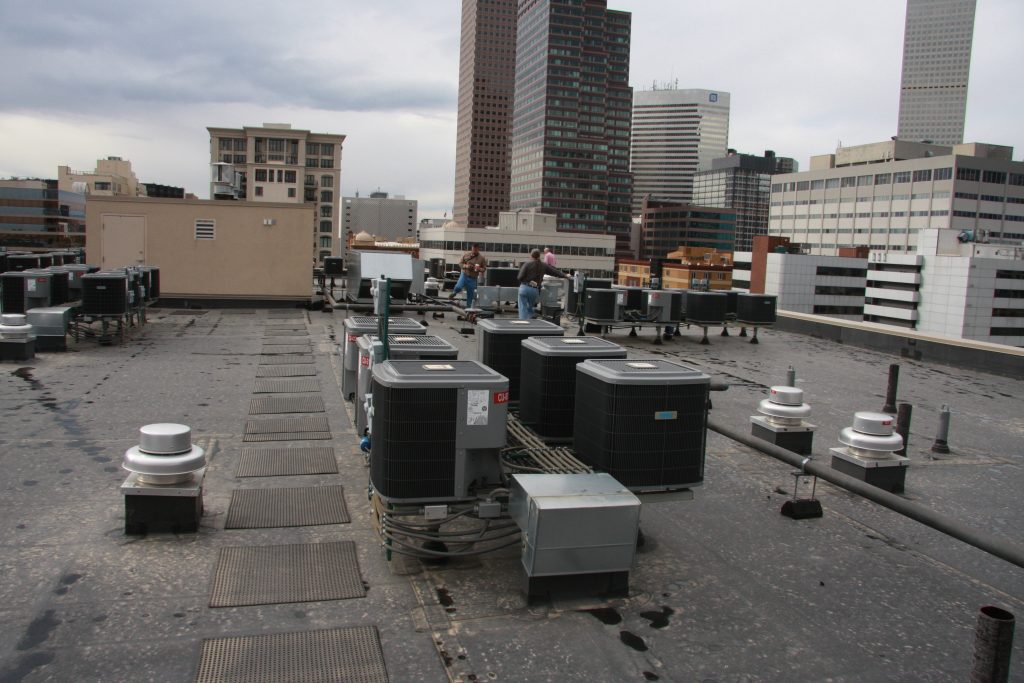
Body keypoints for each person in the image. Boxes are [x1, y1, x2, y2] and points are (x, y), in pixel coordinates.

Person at [517, 248, 567, 320]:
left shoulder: (527, 264)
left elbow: (519, 277)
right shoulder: (543, 265)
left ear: (531, 255)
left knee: (522, 308)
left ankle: (523, 323)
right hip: (534, 290)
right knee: (529, 308)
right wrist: (565, 275)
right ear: (539, 256)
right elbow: (554, 272)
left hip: (524, 288)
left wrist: (529, 281)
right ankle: (529, 320)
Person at [450, 243, 487, 308]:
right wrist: (466, 266)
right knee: (458, 287)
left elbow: (484, 269)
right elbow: (460, 264)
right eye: (473, 250)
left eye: (475, 250)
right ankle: (454, 293)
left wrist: (479, 269)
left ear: (478, 249)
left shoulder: (482, 258)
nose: (474, 251)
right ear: (471, 249)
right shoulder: (466, 255)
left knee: (470, 296)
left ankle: (468, 310)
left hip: (473, 278)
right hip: (464, 275)